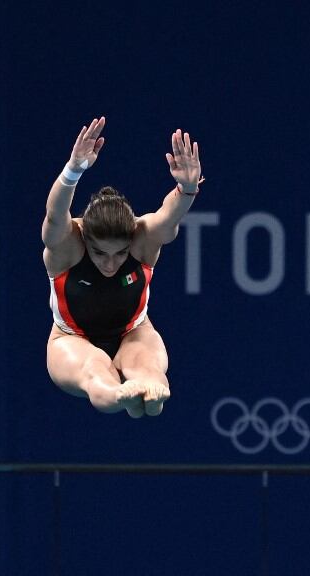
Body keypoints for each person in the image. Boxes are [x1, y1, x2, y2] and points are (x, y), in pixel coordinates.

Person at [42, 117, 202, 417]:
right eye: (100, 253)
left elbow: (169, 216)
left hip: (133, 331)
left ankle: (149, 393)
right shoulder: (67, 245)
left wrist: (187, 187)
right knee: (95, 370)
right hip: (71, 338)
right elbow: (54, 214)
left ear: (131, 241)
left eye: (120, 254)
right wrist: (73, 170)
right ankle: (119, 396)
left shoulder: (143, 238)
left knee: (147, 368)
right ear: (85, 238)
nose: (110, 263)